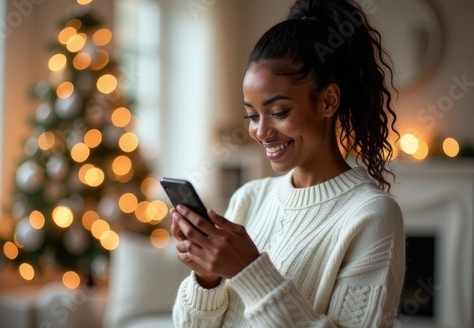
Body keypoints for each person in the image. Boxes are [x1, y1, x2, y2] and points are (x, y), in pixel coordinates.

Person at [170, 0, 405, 326]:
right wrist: (207, 279)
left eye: (279, 112)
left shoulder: (371, 215)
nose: (261, 132)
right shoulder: (249, 198)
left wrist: (248, 271)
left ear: (328, 101)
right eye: (252, 116)